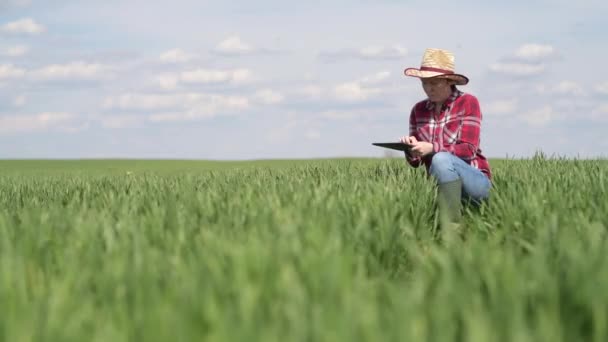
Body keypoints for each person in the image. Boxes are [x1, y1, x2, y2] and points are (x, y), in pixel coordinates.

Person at [400, 48, 492, 226]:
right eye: (424, 83)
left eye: (435, 82)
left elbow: (468, 150)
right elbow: (416, 163)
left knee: (441, 158)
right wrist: (411, 149)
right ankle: (448, 221)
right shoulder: (418, 110)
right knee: (439, 160)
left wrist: (432, 148)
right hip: (440, 183)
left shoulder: (468, 102)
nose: (429, 88)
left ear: (449, 81)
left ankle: (451, 225)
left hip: (476, 182)